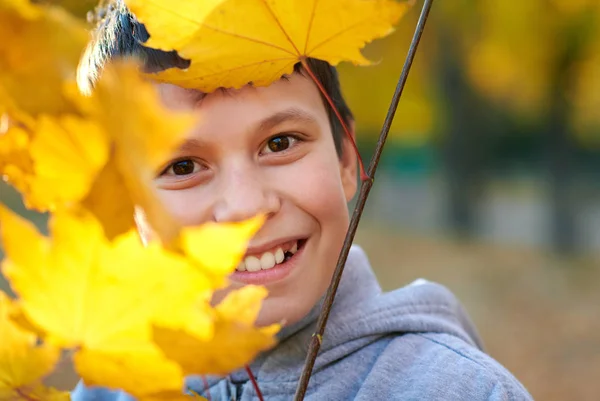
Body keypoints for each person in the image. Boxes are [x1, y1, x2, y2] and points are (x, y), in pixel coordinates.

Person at [72, 2, 533, 400]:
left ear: (348, 159)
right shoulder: (107, 390)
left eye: (279, 143)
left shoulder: (464, 392)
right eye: (182, 168)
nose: (247, 206)